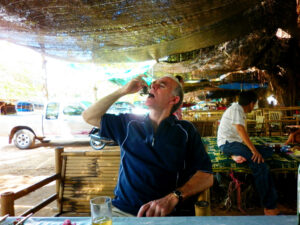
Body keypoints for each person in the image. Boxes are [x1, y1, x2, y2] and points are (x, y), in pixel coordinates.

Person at [82, 75, 213, 217]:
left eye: (161, 85)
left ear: (174, 100)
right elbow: (89, 116)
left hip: (163, 215)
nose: (153, 86)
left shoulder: (186, 131)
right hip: (122, 211)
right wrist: (123, 91)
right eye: (153, 84)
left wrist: (174, 197)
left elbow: (206, 176)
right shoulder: (129, 123)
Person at [217, 91, 279, 215]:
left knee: (268, 150)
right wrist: (253, 151)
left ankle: (235, 155)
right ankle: (269, 207)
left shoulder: (237, 109)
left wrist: (252, 150)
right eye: (254, 104)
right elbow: (240, 129)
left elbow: (240, 133)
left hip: (234, 145)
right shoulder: (236, 109)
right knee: (260, 163)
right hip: (228, 144)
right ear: (252, 103)